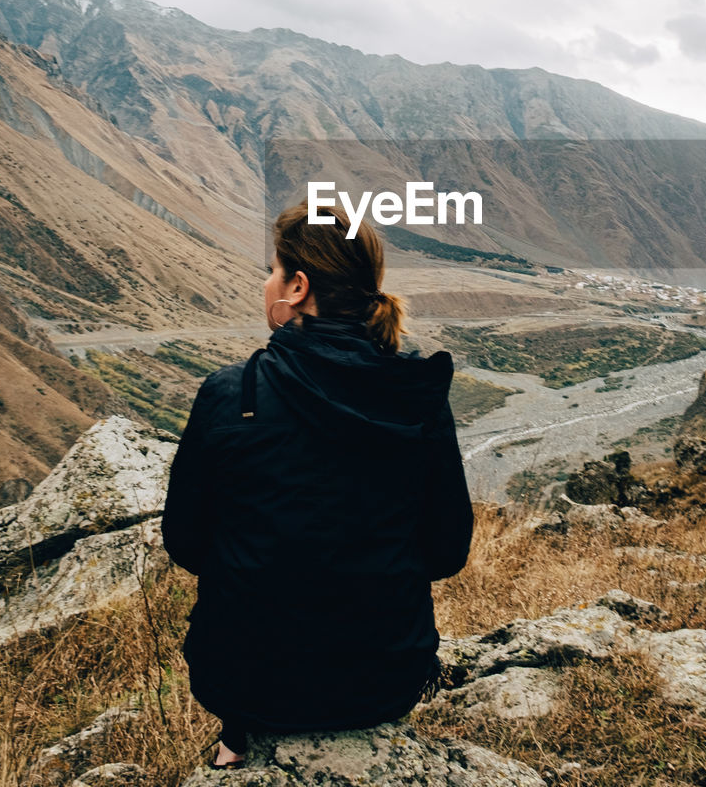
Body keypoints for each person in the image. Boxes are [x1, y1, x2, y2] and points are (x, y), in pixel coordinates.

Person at [162, 202, 473, 768]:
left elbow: (185, 540)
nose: (267, 283)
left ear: (298, 286)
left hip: (244, 682)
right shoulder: (415, 393)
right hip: (386, 678)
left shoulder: (233, 395)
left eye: (273, 270)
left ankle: (237, 741)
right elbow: (447, 549)